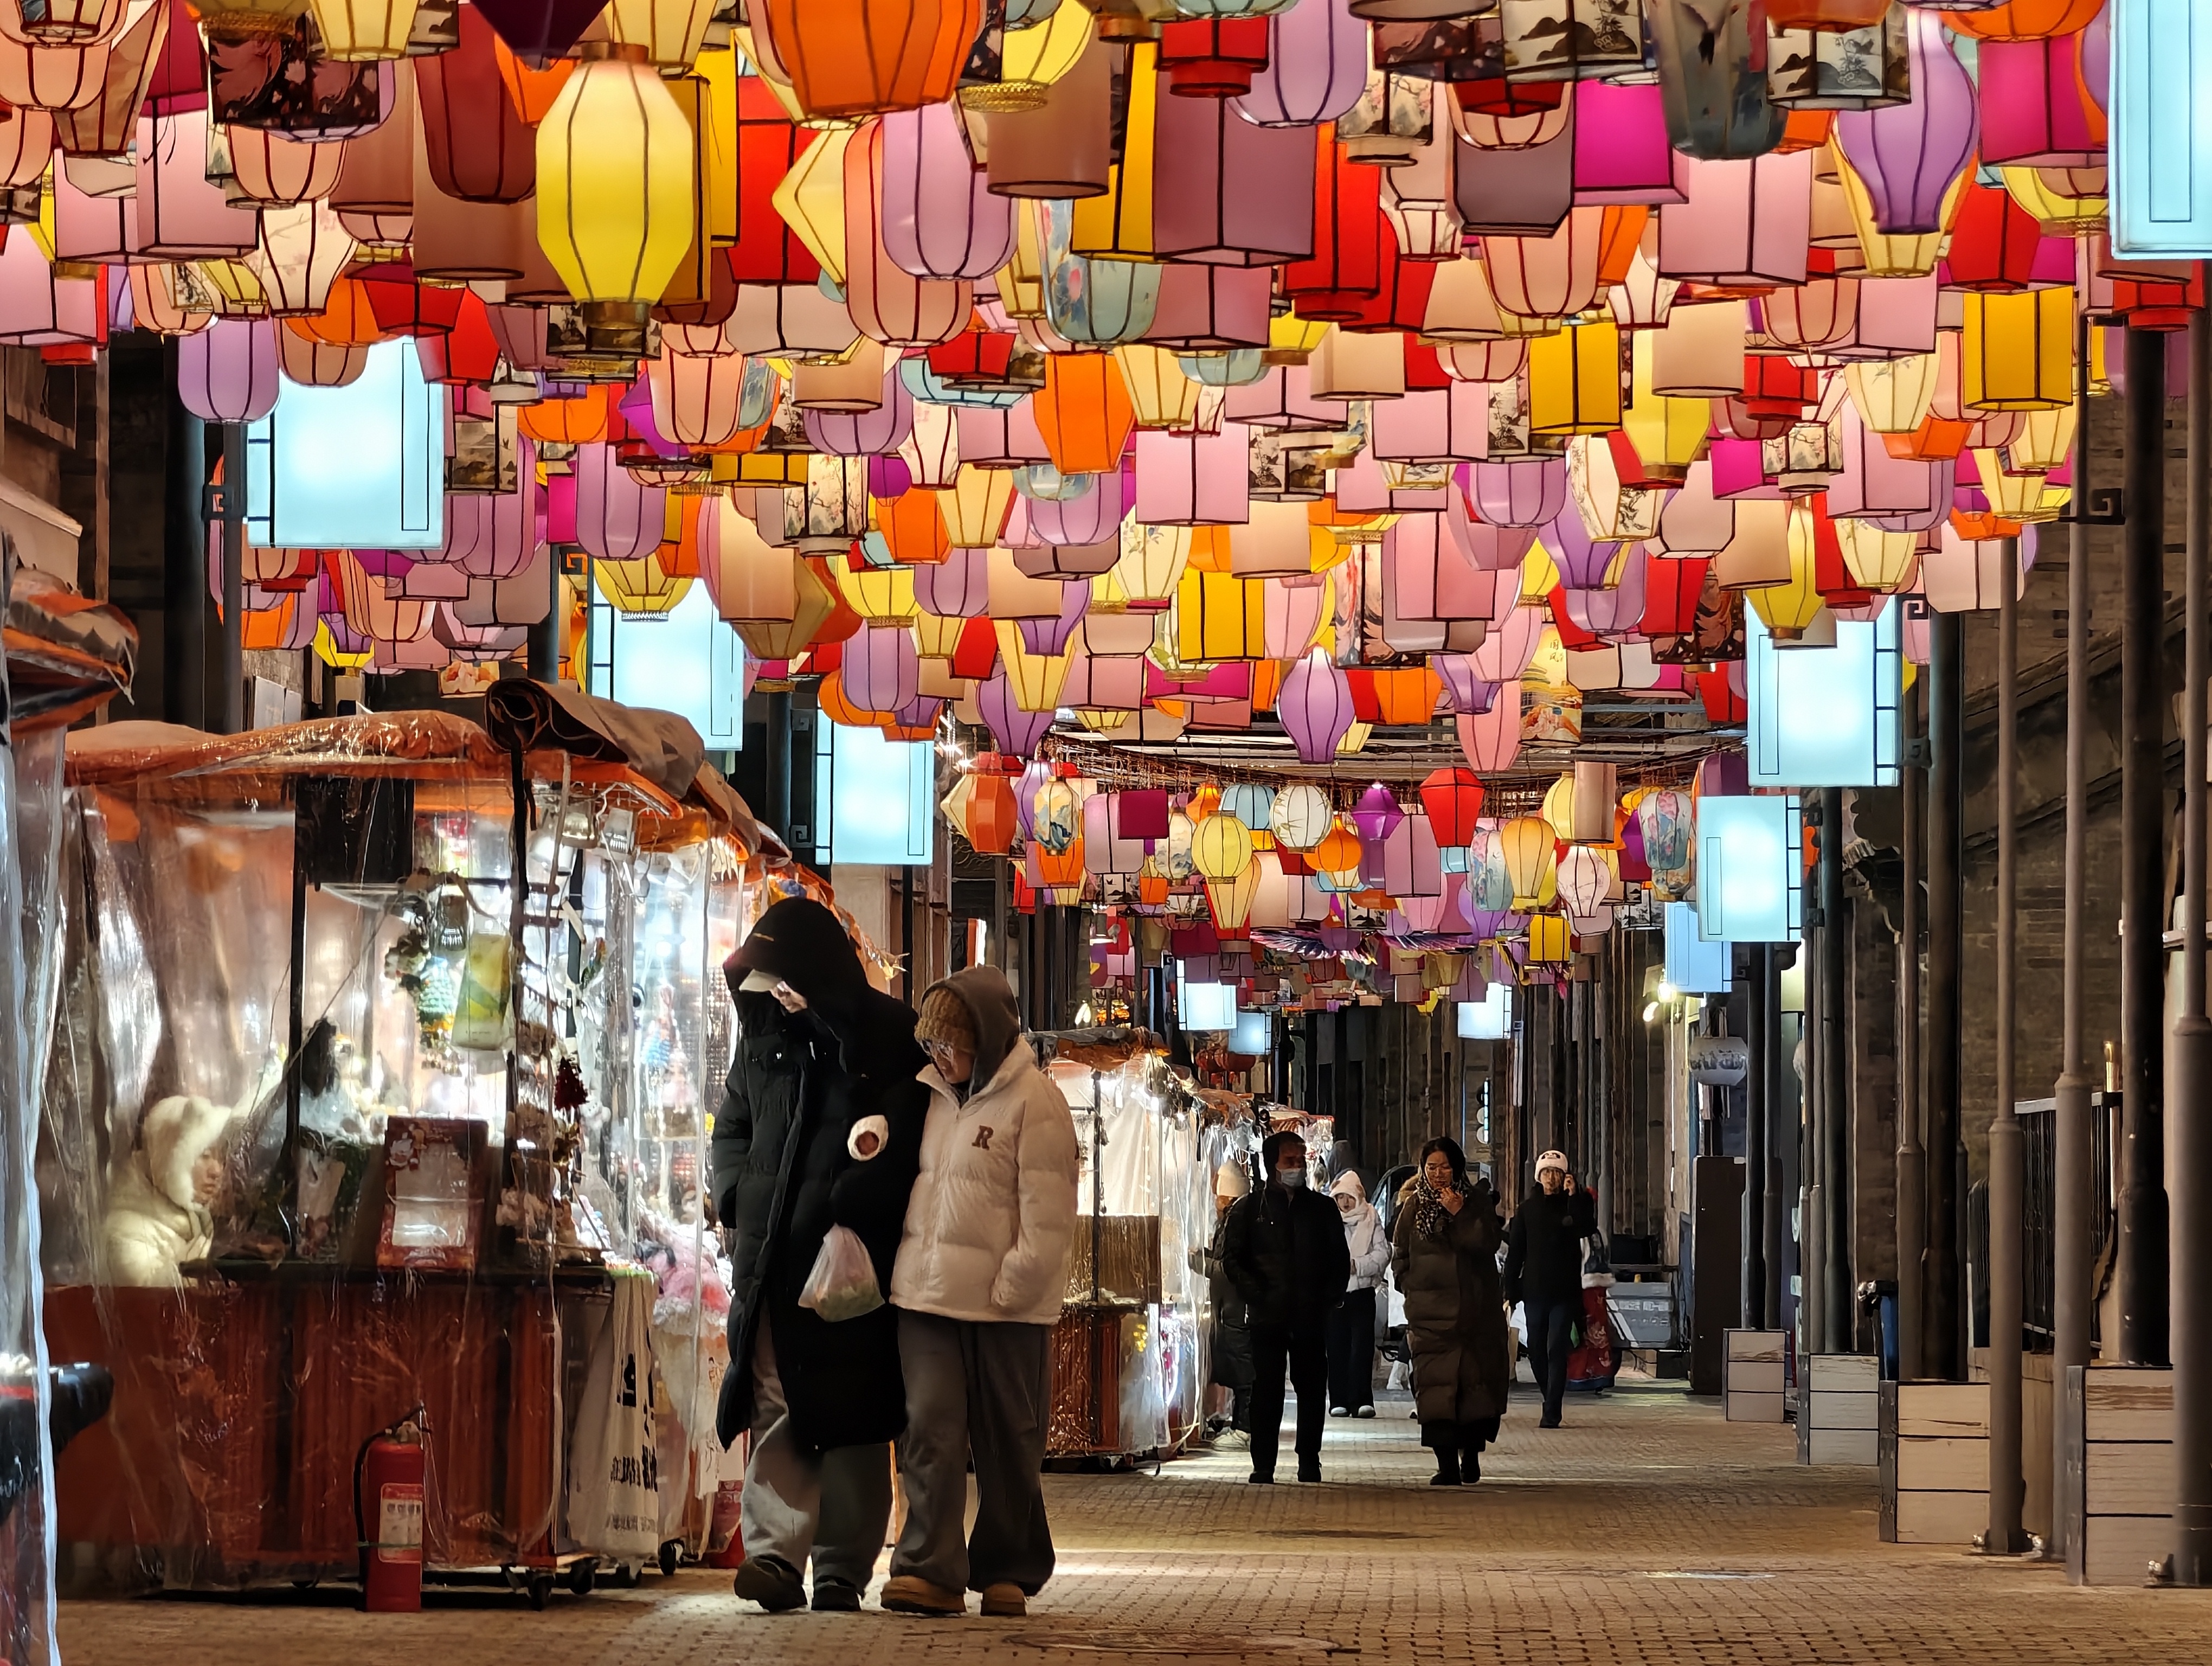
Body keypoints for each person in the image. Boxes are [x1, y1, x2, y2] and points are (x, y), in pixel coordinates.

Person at [710, 899, 928, 1614]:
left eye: (783, 978)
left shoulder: (890, 1037)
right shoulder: (764, 1042)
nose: (774, 993)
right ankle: (774, 1556)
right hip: (772, 1259)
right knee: (776, 1404)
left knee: (854, 1413)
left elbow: (908, 1137)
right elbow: (733, 1126)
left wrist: (857, 1201)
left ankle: (841, 1568)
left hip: (852, 1265)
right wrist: (734, 1198)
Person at [880, 967, 1081, 1620]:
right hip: (926, 1296)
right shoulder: (931, 1097)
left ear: (986, 1041)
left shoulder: (1036, 1101)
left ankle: (1007, 1565)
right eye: (933, 1046)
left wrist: (1013, 1285)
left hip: (1006, 1308)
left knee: (1008, 1438)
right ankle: (927, 1567)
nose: (941, 1058)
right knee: (929, 1430)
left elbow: (1048, 1215)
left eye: (952, 1046)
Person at [1220, 1130, 1351, 1484]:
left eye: (1300, 1160)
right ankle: (1264, 1463)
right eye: (1289, 1161)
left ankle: (1309, 1459)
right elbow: (1232, 1258)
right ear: (1272, 1164)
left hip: (1310, 1314)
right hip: (1268, 1315)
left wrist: (1328, 1297)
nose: (1297, 1167)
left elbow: (1339, 1259)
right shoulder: (1249, 1209)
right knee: (1266, 1392)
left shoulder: (1322, 1209)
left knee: (1311, 1389)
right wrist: (1257, 1294)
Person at [1391, 1138, 1509, 1484]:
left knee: (1473, 1392)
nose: (1439, 1174)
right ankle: (1446, 1465)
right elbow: (1400, 1253)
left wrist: (1459, 1215)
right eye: (1431, 1168)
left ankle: (1470, 1458)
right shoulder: (1413, 1207)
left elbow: (1487, 1244)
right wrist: (1408, 1286)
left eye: (1444, 1167)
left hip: (1475, 1316)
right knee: (1434, 1392)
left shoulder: (1475, 1203)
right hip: (1429, 1318)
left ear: (1457, 1168)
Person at [1502, 1149, 1599, 1430]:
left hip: (1565, 1291)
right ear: (1539, 1177)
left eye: (1557, 1174)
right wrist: (1510, 1288)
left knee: (1556, 1346)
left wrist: (1575, 1196)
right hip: (1534, 1289)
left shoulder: (1572, 1205)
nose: (1551, 1179)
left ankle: (1552, 1409)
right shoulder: (1527, 1209)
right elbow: (1516, 1252)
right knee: (1536, 1349)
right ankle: (1549, 1396)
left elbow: (1586, 1227)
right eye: (1546, 1174)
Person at [104, 1095, 232, 1288]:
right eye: (204, 1155)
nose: (217, 1171)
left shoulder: (198, 1219)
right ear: (169, 1160)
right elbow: (151, 1302)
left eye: (219, 1157)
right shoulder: (124, 1233)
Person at [1192, 1159, 1256, 1444]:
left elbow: (1232, 1269)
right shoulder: (1232, 1221)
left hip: (1239, 1310)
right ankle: (1240, 1425)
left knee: (1246, 1373)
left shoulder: (1240, 1222)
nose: (1214, 1202)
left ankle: (1246, 1430)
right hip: (1230, 1309)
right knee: (1237, 1367)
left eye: (1218, 1196)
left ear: (1227, 1197)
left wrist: (1202, 1264)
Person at [1325, 1173, 1388, 1418]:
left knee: (1362, 1347)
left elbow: (1383, 1253)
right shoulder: (1328, 1220)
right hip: (1335, 1294)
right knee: (1336, 1347)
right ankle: (1338, 1399)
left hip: (1362, 1292)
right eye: (1340, 1197)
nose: (1345, 1202)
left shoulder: (1371, 1218)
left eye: (1349, 1197)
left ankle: (1362, 1399)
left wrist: (1357, 1266)